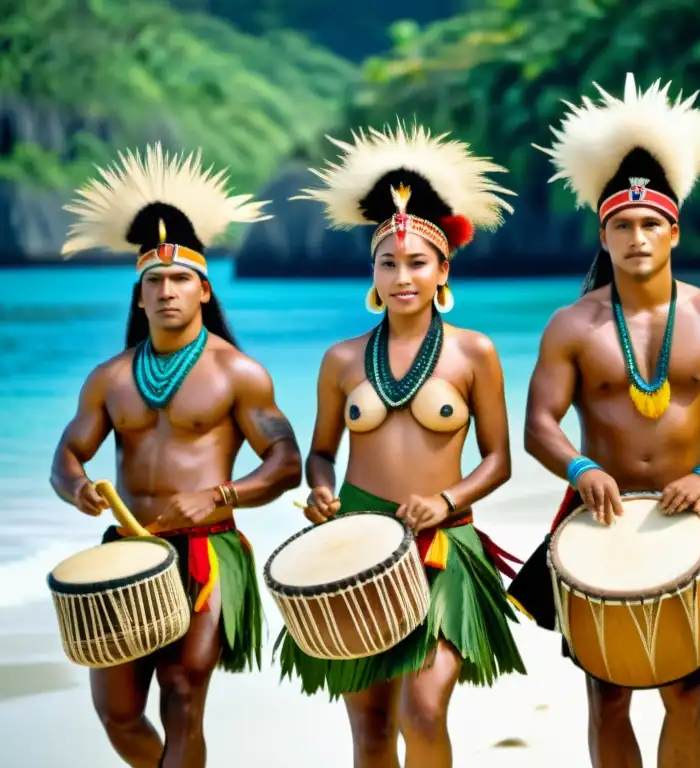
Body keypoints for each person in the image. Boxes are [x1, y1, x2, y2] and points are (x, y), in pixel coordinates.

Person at [506, 73, 700, 768]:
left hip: (686, 518)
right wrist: (581, 467)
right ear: (604, 233)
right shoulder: (574, 325)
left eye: (651, 223)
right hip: (598, 521)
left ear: (675, 231)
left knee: (687, 688)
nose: (637, 236)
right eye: (622, 225)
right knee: (607, 693)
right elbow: (538, 423)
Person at [276, 121, 527, 767]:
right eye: (388, 263)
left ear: (443, 268)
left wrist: (446, 499)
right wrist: (322, 489)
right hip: (358, 543)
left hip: (443, 542)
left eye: (417, 262)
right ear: (373, 272)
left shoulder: (475, 352)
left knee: (423, 709)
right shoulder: (341, 359)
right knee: (369, 727)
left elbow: (499, 458)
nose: (402, 276)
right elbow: (323, 450)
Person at [50, 143, 303, 768]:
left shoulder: (237, 373)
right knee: (117, 715)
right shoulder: (109, 378)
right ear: (139, 297)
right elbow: (66, 454)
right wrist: (77, 487)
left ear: (203, 290)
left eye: (180, 280)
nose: (167, 291)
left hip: (206, 552)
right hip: (127, 550)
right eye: (154, 282)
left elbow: (286, 460)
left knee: (184, 694)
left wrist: (221, 495)